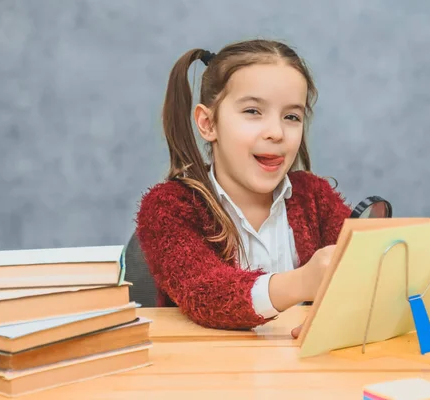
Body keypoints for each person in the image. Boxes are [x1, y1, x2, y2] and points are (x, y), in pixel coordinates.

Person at [136, 39, 351, 337]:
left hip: (304, 375)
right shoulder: (168, 207)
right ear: (208, 123)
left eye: (291, 117)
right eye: (252, 111)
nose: (276, 133)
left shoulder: (315, 197)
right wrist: (304, 281)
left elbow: (359, 281)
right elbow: (206, 294)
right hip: (208, 375)